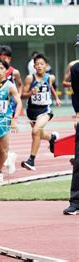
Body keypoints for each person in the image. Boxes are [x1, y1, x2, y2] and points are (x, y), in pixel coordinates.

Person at [20, 54, 61, 171]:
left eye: (41, 64)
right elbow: (22, 95)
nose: (39, 66)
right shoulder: (30, 78)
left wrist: (56, 98)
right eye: (37, 64)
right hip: (32, 110)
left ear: (46, 66)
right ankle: (52, 138)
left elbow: (50, 86)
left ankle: (31, 160)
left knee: (35, 131)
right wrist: (30, 93)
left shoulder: (50, 77)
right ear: (34, 66)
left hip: (45, 109)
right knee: (38, 133)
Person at [63, 35, 79, 215]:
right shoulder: (76, 69)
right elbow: (76, 95)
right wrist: (77, 115)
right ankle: (76, 202)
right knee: (78, 161)